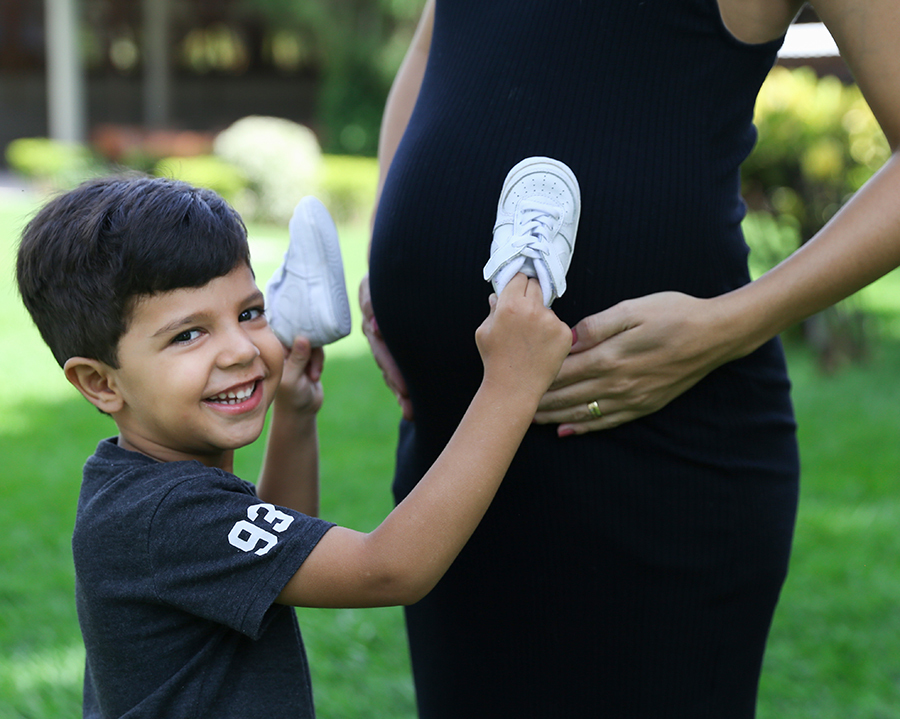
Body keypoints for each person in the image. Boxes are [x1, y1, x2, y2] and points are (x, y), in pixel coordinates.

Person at [361, 0, 900, 717]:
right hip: (456, 448)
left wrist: (728, 325)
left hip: (653, 464)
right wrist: (388, 260)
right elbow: (438, 43)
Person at [15, 174, 572, 718]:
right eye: (188, 334)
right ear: (100, 382)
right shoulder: (164, 515)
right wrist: (511, 382)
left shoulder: (133, 482)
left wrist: (295, 416)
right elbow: (391, 569)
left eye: (251, 313)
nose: (239, 350)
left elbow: (272, 559)